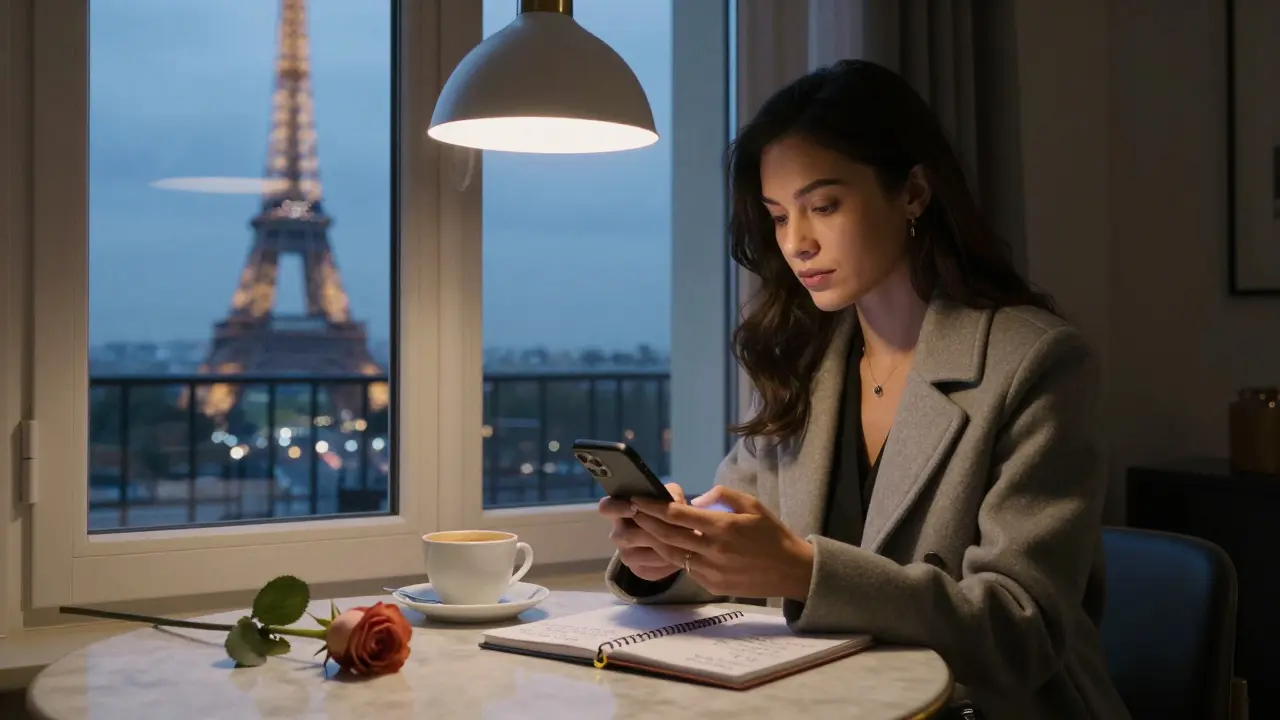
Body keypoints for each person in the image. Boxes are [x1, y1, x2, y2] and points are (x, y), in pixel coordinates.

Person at [597, 59, 1130, 719]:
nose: (797, 243)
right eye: (777, 216)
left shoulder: (1037, 363)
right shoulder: (805, 360)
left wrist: (804, 571)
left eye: (823, 206)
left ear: (912, 193)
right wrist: (669, 557)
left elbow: (1018, 633)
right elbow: (745, 545)